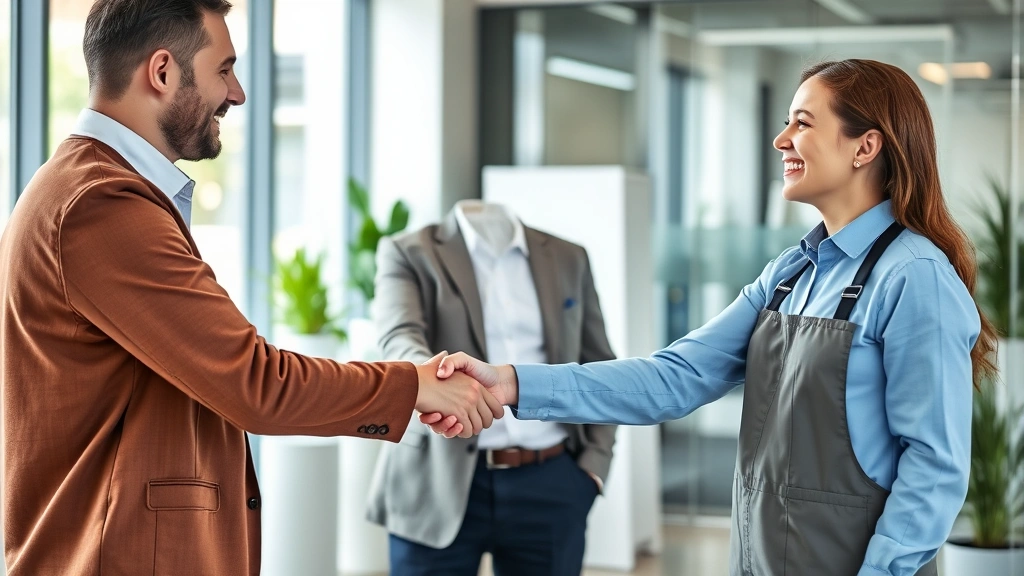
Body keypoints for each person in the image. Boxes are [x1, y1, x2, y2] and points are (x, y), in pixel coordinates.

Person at [425, 59, 997, 576]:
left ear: (865, 147)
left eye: (802, 123)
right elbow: (672, 377)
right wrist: (511, 383)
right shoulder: (790, 274)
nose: (781, 139)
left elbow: (934, 468)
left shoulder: (913, 277)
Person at [0, 1, 500, 574]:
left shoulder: (88, 189)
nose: (236, 94)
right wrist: (413, 385)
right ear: (161, 71)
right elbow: (255, 383)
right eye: (224, 69)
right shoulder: (101, 204)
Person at [366, 201, 617, 576]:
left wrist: (593, 468)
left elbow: (599, 363)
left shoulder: (569, 256)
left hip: (551, 479)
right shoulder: (409, 250)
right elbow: (398, 338)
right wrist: (434, 377)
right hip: (435, 478)